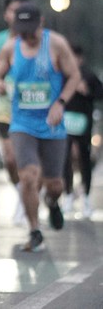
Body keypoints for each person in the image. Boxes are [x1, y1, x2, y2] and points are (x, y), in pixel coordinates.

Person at [0, 1, 80, 252]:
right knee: (28, 177)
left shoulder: (56, 44)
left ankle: (53, 202)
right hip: (22, 123)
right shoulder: (11, 47)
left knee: (55, 184)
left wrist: (60, 103)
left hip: (52, 124)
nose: (27, 36)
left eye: (30, 30)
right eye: (22, 31)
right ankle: (34, 229)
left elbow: (74, 76)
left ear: (41, 22)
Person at [0, 0, 29, 225]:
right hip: (5, 107)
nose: (17, 15)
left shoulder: (37, 40)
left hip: (31, 108)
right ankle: (22, 193)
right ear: (6, 14)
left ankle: (28, 198)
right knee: (11, 159)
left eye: (22, 10)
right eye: (13, 10)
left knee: (29, 160)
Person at [62, 45, 103, 218]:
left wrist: (87, 91)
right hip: (65, 122)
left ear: (81, 58)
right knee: (65, 159)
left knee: (84, 159)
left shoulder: (89, 75)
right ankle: (68, 194)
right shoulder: (63, 74)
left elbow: (100, 94)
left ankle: (86, 197)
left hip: (83, 124)